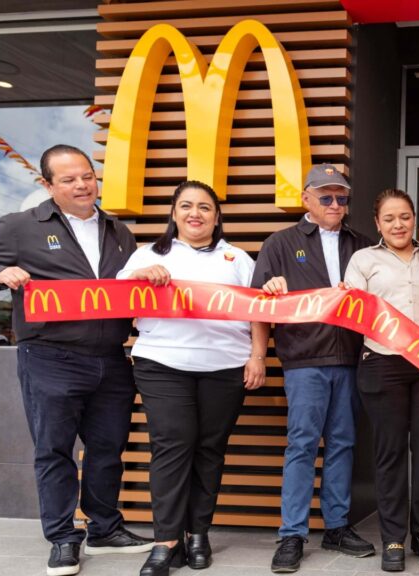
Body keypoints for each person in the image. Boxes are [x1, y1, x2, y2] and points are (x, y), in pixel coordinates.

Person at [0, 144, 152, 576]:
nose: (82, 185)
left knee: (108, 449)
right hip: (50, 357)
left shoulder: (119, 231)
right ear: (47, 185)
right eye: (68, 179)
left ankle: (104, 528)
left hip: (113, 359)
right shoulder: (20, 226)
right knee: (55, 450)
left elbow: (129, 293)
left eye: (87, 176)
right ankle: (62, 537)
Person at [116, 181, 267, 576]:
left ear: (217, 216)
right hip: (162, 364)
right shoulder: (146, 254)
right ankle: (166, 541)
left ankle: (198, 534)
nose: (195, 213)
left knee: (210, 449)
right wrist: (138, 277)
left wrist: (257, 357)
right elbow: (117, 300)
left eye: (204, 207)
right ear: (174, 212)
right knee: (171, 446)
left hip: (225, 366)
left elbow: (259, 312)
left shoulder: (238, 259)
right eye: (186, 206)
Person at [255, 164, 374, 573]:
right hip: (304, 360)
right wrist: (258, 352)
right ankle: (292, 534)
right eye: (326, 197)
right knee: (302, 445)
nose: (335, 204)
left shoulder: (362, 243)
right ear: (306, 199)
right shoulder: (280, 243)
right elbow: (259, 305)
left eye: (342, 197)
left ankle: (337, 526)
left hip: (352, 359)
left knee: (343, 444)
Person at [343, 188, 419, 572]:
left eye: (404, 216)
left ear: (415, 219)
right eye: (389, 218)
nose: (398, 224)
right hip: (382, 362)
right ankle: (392, 538)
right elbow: (351, 310)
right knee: (389, 453)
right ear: (377, 224)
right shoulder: (363, 260)